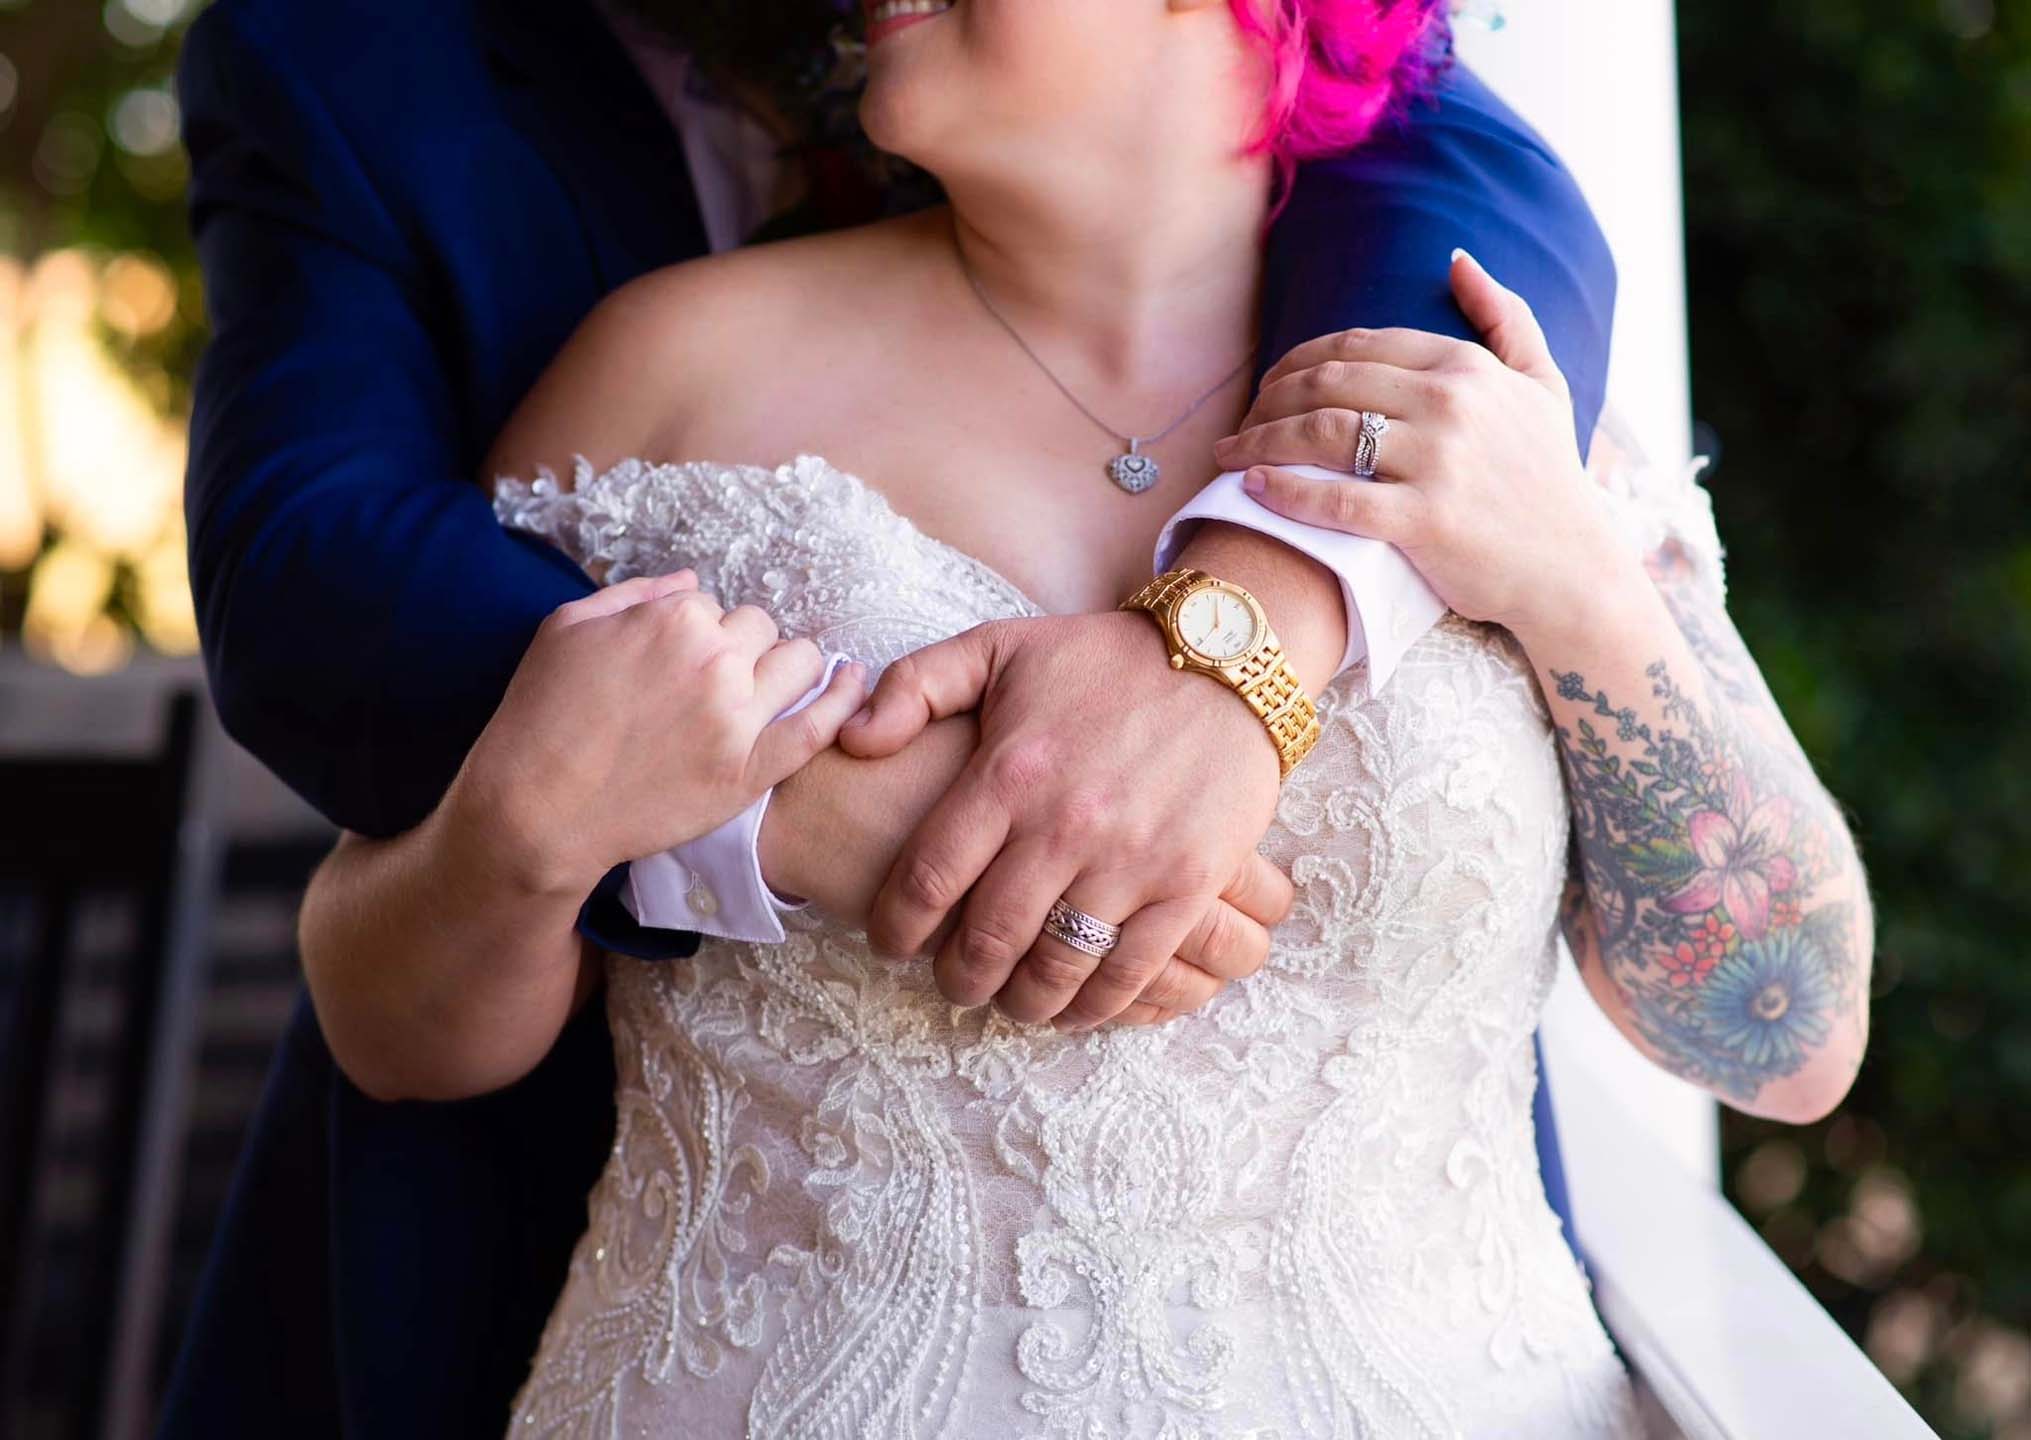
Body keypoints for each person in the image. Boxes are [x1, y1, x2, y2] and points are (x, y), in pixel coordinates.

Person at [292, 0, 1870, 1433]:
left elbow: (1786, 1036)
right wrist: (526, 825)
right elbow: (392, 1025)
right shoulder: (667, 370)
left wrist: (1582, 587)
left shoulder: (1494, 393)